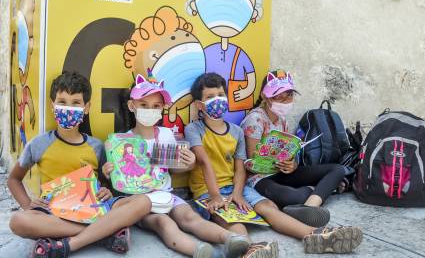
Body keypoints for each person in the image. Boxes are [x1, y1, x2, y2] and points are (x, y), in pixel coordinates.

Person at [185, 72, 363, 255]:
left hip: (236, 186)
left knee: (268, 207)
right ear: (200, 105)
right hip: (207, 190)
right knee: (231, 218)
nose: (217, 100)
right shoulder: (193, 129)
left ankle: (315, 236)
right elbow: (204, 162)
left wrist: (238, 193)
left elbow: (239, 168)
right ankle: (248, 249)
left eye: (221, 95)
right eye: (210, 97)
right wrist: (215, 196)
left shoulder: (236, 132)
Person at [102, 72, 251, 258]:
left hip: (167, 195)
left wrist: (188, 163)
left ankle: (230, 238)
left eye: (156, 106)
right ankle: (198, 250)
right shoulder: (120, 142)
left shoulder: (165, 134)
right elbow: (118, 177)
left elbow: (173, 167)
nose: (150, 110)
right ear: (132, 106)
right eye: (144, 105)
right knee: (164, 224)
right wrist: (109, 171)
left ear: (162, 107)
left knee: (190, 218)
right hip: (140, 201)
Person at [7, 71, 152, 258]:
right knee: (18, 221)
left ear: (86, 107)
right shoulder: (39, 144)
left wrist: (108, 190)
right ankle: (102, 233)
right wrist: (28, 206)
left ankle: (70, 242)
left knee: (144, 202)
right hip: (54, 210)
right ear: (53, 106)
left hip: (94, 207)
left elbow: (105, 181)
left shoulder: (97, 146)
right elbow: (14, 179)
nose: (68, 108)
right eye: (62, 102)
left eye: (76, 103)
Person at [240, 70, 347, 227]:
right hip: (260, 178)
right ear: (265, 96)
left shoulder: (282, 120)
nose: (285, 100)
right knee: (292, 198)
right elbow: (252, 163)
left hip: (281, 173)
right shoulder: (254, 120)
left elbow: (289, 154)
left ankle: (309, 207)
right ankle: (320, 192)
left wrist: (292, 165)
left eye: (289, 95)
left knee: (338, 170)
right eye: (279, 96)